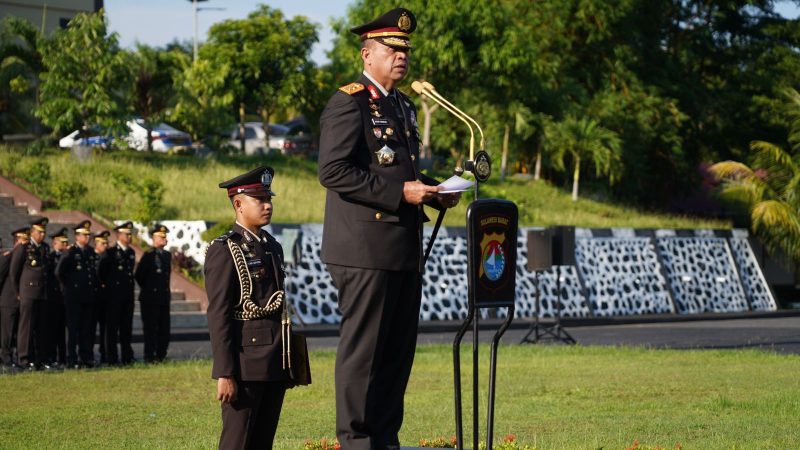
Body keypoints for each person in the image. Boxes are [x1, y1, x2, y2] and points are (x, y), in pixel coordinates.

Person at [317, 8, 460, 449]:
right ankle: (356, 441)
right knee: (365, 353)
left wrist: (435, 192)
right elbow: (333, 171)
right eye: (392, 49)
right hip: (363, 249)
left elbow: (403, 169)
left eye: (405, 51)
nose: (401, 56)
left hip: (402, 248)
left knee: (397, 354)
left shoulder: (402, 105)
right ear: (367, 53)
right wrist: (402, 194)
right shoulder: (350, 101)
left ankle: (384, 438)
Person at [205, 166, 290, 449]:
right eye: (260, 200)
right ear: (238, 204)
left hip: (275, 360)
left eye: (269, 199)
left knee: (262, 442)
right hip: (245, 365)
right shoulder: (225, 249)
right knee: (237, 442)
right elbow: (219, 315)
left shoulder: (271, 246)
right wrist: (225, 373)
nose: (268, 205)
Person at [10, 217, 50, 370]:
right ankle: (24, 359)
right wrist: (18, 292)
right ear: (32, 232)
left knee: (40, 327)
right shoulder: (24, 247)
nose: (42, 235)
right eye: (39, 232)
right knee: (26, 327)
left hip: (41, 292)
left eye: (44, 232)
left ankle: (38, 359)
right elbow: (14, 272)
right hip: (27, 292)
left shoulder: (44, 248)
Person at [57, 220, 98, 368]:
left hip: (87, 296)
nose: (87, 238)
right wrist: (67, 289)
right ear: (77, 236)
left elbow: (92, 273)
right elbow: (59, 272)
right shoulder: (71, 252)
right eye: (84, 235)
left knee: (86, 329)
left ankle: (85, 357)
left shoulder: (90, 252)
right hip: (73, 297)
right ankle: (71, 358)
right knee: (73, 329)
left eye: (88, 235)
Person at [98, 222, 136, 365]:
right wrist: (106, 288)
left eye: (130, 234)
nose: (129, 236)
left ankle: (127, 357)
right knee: (112, 329)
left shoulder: (131, 252)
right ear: (119, 235)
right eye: (127, 234)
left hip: (127, 296)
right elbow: (101, 272)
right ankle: (111, 358)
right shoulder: (110, 253)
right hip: (113, 297)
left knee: (126, 328)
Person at [135, 224, 171, 363]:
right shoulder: (148, 255)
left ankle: (161, 355)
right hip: (150, 299)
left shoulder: (167, 255)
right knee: (150, 329)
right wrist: (150, 289)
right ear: (153, 238)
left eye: (165, 236)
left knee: (164, 329)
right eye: (161, 237)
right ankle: (150, 356)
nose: (164, 239)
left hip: (163, 298)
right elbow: (139, 275)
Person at [0, 229, 26, 371]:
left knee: (14, 331)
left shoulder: (22, 255)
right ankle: (5, 358)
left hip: (17, 300)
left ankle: (11, 357)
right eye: (23, 240)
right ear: (17, 240)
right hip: (8, 299)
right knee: (7, 332)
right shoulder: (8, 256)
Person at [45, 227, 69, 368]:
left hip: (65, 298)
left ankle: (63, 358)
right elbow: (54, 274)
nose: (65, 245)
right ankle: (52, 357)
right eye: (62, 242)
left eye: (66, 242)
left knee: (63, 331)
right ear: (55, 243)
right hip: (53, 298)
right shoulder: (50, 257)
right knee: (52, 330)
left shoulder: (67, 256)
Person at [92, 230, 110, 364]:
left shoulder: (107, 258)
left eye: (107, 243)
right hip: (92, 297)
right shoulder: (91, 256)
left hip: (104, 299)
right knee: (90, 328)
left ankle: (104, 353)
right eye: (103, 243)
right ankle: (89, 354)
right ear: (96, 244)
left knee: (105, 328)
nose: (106, 245)